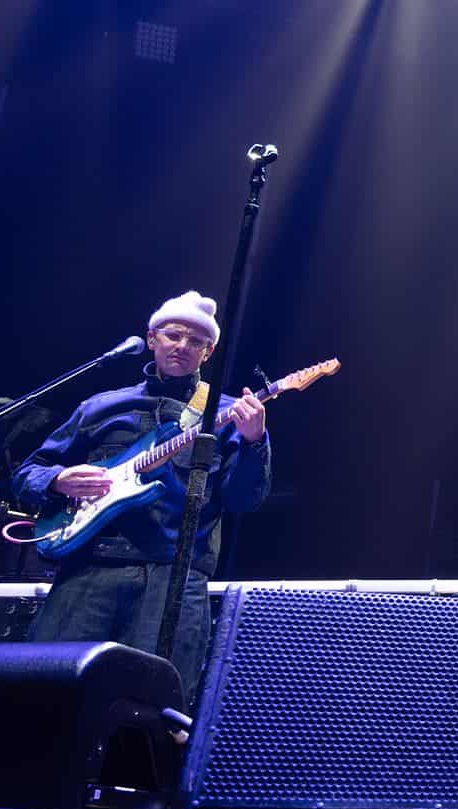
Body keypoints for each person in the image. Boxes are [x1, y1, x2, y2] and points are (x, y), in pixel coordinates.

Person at [15, 292, 270, 703]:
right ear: (152, 339)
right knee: (48, 693)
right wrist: (58, 480)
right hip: (90, 567)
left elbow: (243, 499)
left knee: (154, 707)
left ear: (208, 352)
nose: (182, 346)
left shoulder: (227, 414)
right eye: (173, 335)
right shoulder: (102, 406)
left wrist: (255, 441)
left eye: (196, 341)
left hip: (174, 578)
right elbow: (27, 472)